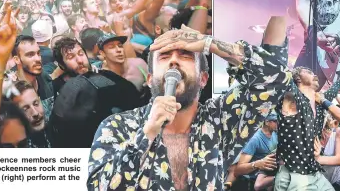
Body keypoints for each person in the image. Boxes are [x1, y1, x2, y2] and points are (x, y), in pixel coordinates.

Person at [88, 17, 293, 191]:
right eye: (165, 56)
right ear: (150, 79)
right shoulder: (118, 126)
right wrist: (147, 133)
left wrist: (209, 44)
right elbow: (99, 186)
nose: (174, 61)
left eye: (185, 55)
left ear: (203, 79)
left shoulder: (220, 119)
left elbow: (276, 78)